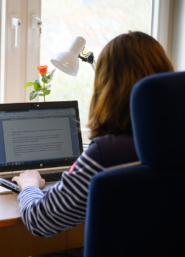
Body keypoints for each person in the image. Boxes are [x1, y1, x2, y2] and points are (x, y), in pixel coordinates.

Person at [12, 31, 174, 255]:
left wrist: (29, 185)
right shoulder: (174, 145)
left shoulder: (105, 156)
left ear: (107, 85)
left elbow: (40, 221)